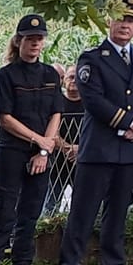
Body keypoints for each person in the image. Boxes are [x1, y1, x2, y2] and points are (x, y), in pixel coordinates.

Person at [58, 0, 133, 265]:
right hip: (100, 147)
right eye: (120, 19)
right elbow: (93, 99)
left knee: (118, 209)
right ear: (109, 21)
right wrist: (129, 122)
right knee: (84, 210)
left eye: (131, 20)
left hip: (131, 147)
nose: (125, 25)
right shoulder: (92, 58)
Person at [0, 15, 62, 265]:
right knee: (4, 211)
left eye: (39, 39)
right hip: (13, 151)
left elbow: (56, 113)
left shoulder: (50, 74)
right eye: (30, 39)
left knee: (30, 212)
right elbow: (5, 118)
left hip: (42, 154)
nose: (35, 43)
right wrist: (38, 140)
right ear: (18, 41)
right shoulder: (6, 75)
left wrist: (44, 149)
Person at [44, 61, 82, 217]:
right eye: (71, 77)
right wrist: (67, 148)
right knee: (50, 206)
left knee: (83, 205)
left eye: (77, 77)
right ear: (64, 79)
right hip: (57, 163)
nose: (74, 81)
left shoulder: (90, 104)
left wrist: (80, 148)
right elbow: (51, 129)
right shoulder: (56, 101)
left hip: (81, 161)